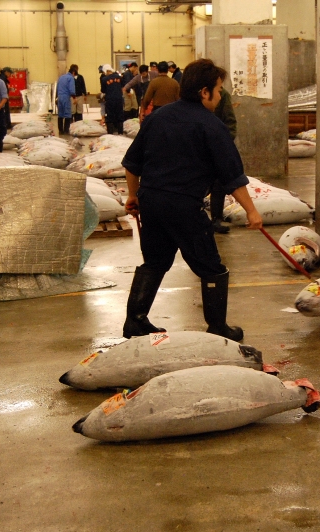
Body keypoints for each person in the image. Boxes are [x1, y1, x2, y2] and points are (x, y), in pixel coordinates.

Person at [121, 58, 262, 342]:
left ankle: (135, 321)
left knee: (156, 261)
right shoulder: (212, 126)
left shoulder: (158, 118)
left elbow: (132, 163)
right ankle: (218, 327)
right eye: (219, 90)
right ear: (204, 92)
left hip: (152, 201)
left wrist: (134, 196)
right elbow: (233, 176)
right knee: (211, 267)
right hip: (183, 205)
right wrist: (252, 212)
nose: (220, 96)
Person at [209, 87, 237, 234]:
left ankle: (216, 218)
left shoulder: (222, 94)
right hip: (196, 149)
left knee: (218, 184)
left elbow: (230, 122)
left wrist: (225, 143)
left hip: (217, 146)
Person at [99, 64, 124, 134]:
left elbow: (103, 90)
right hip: (119, 99)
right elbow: (122, 86)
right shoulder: (119, 77)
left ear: (106, 71)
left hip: (110, 100)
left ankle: (110, 133)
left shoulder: (104, 79)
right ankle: (120, 132)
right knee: (120, 115)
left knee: (110, 116)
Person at [56, 65, 76, 135]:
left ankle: (60, 130)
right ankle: (66, 130)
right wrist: (74, 98)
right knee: (67, 114)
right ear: (73, 72)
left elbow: (57, 87)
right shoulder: (70, 78)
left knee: (60, 114)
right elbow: (71, 90)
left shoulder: (61, 77)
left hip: (59, 97)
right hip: (66, 97)